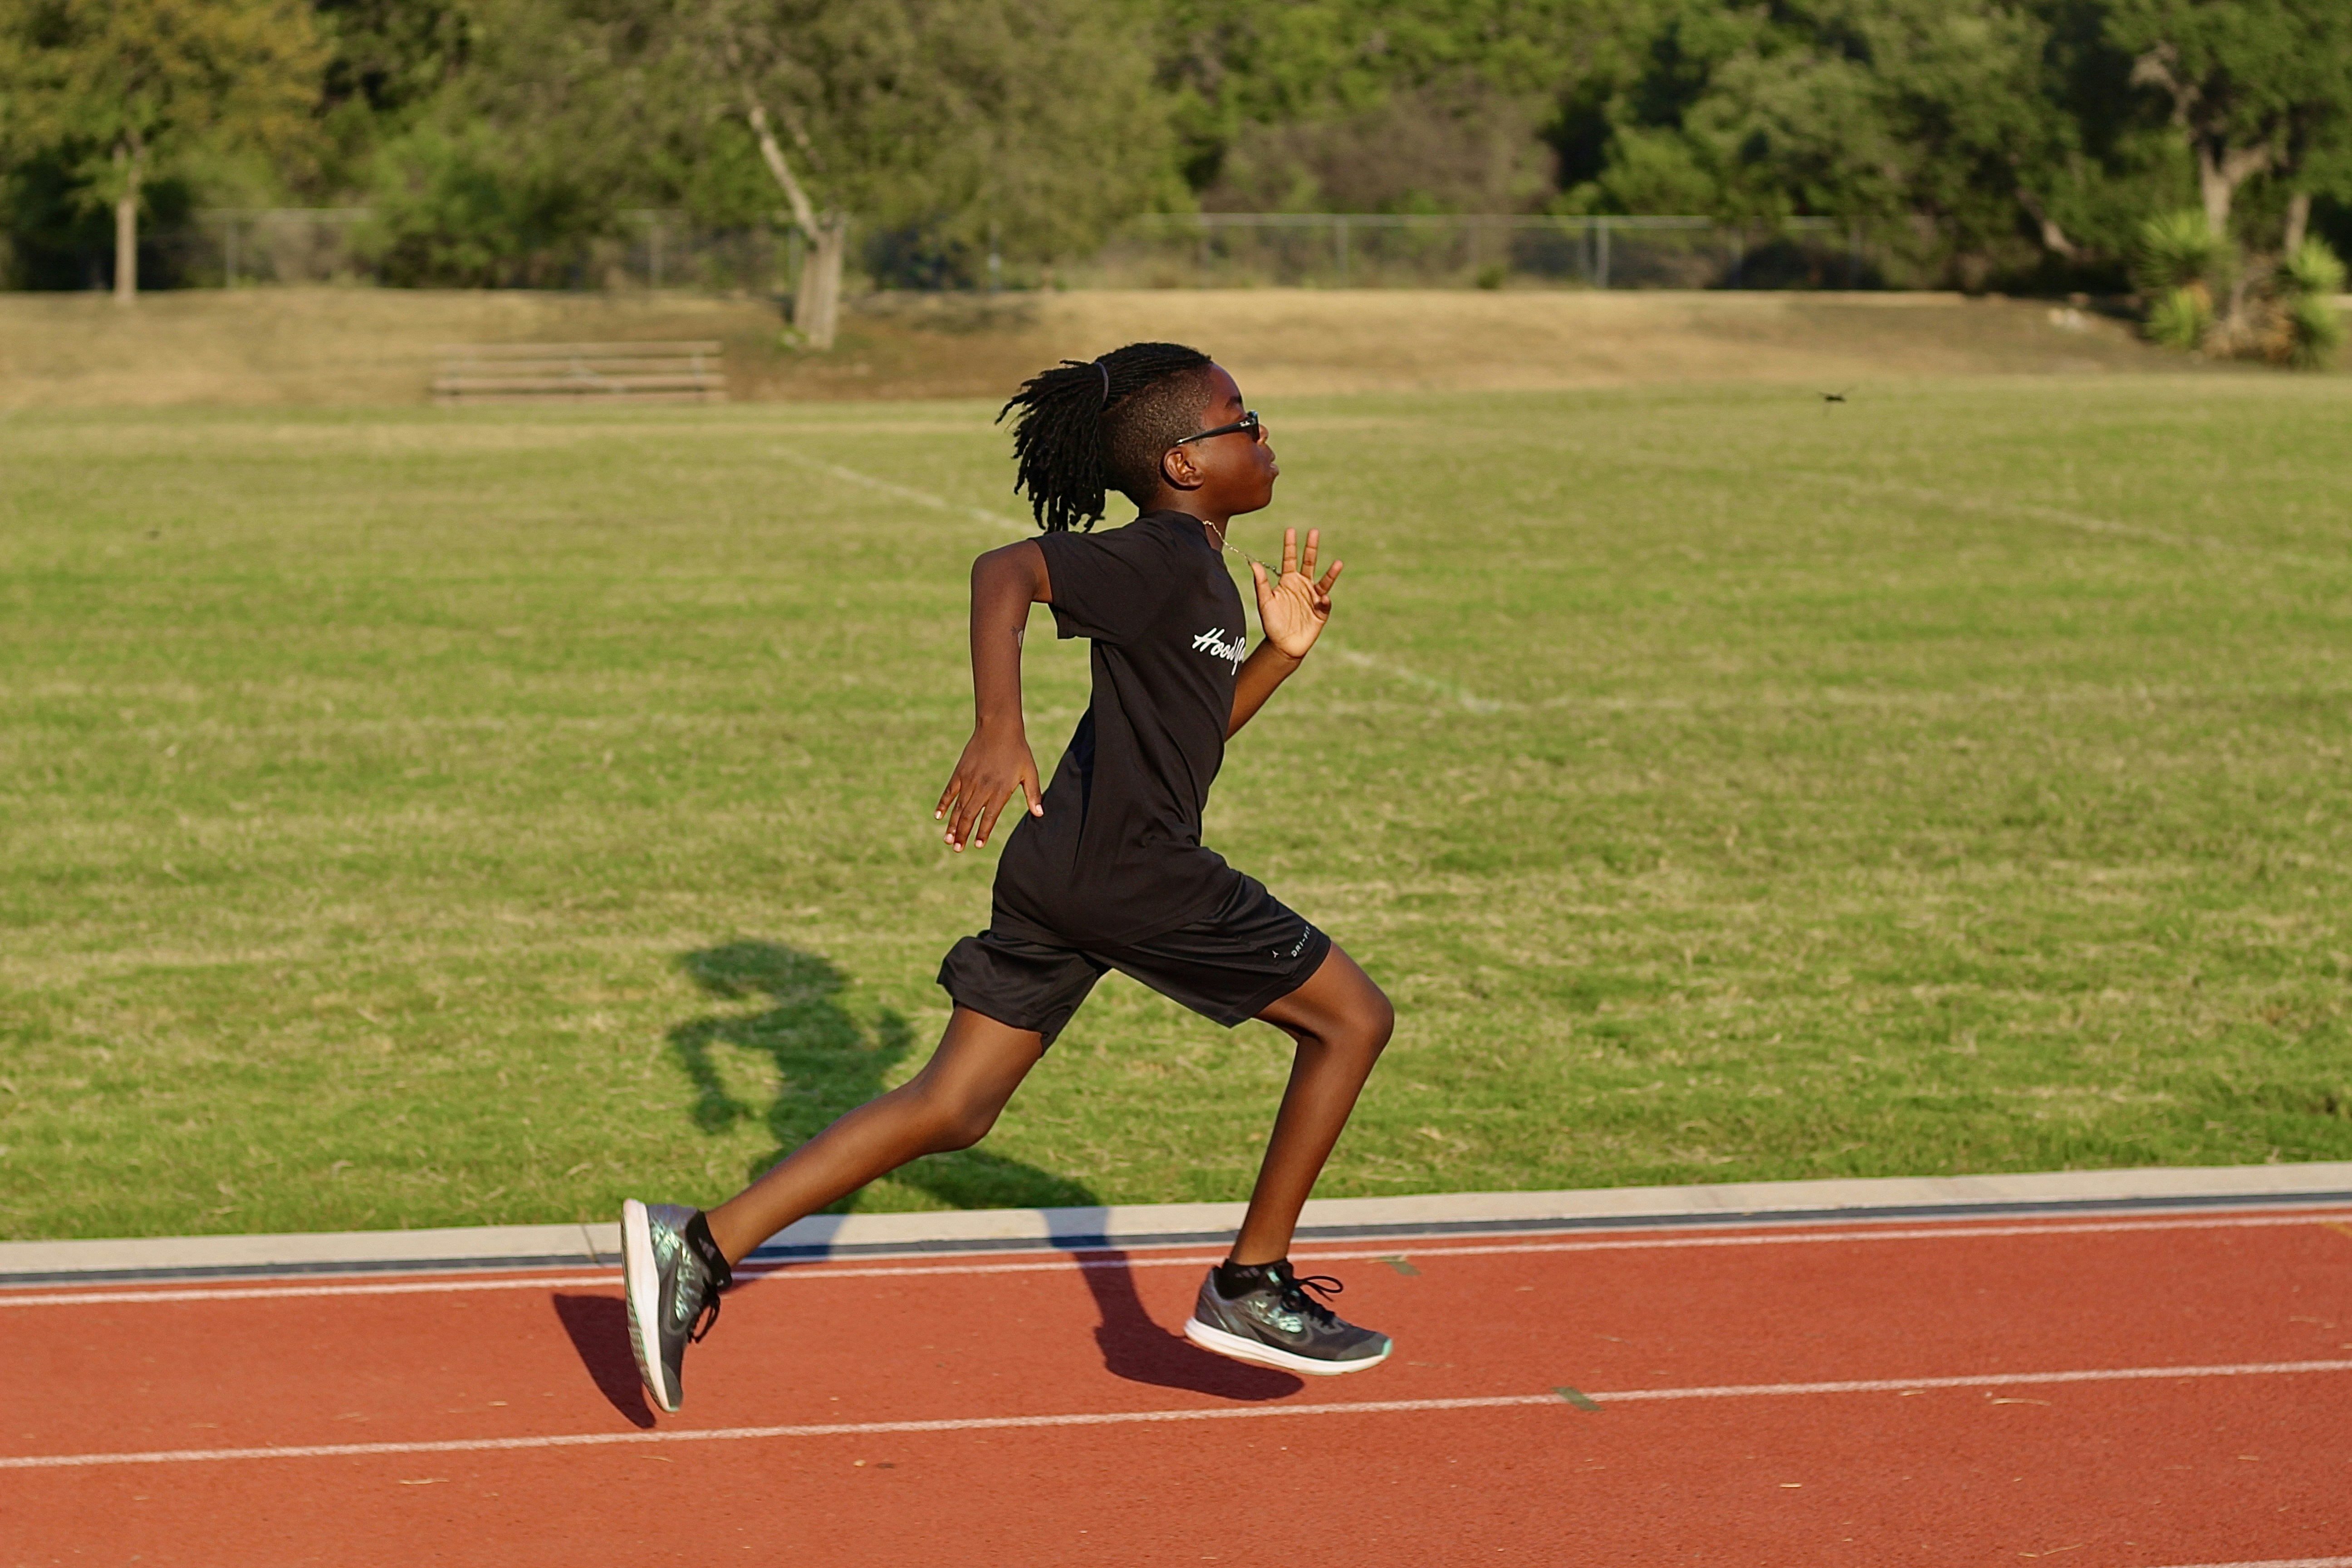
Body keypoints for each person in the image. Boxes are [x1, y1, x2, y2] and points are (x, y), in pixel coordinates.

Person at [621, 341, 1395, 1415]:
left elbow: (1191, 737)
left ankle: (698, 1243)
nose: (1266, 436)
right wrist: (998, 724)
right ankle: (1250, 1283)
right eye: (1245, 419)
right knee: (1353, 1021)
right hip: (1135, 872)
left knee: (956, 1103)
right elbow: (1008, 570)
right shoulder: (1163, 556)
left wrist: (1277, 655)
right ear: (1182, 462)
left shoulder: (1196, 572)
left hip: (1068, 867)